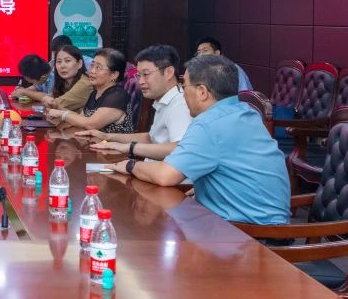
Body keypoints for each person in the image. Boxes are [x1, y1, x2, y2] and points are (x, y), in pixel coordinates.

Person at [112, 53, 289, 225]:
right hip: (272, 221)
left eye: (184, 87)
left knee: (155, 229)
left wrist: (130, 165)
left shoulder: (208, 124)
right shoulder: (246, 112)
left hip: (245, 230)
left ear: (202, 92)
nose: (183, 94)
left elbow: (165, 176)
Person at [82, 44, 192, 159]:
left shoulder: (179, 104)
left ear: (168, 72)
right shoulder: (165, 100)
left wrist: (130, 148)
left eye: (146, 74)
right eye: (139, 75)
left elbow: (180, 148)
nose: (140, 81)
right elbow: (150, 138)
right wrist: (107, 136)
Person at [48, 48, 135, 134]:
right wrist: (61, 134)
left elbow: (91, 124)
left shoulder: (117, 96)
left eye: (98, 67)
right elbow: (81, 118)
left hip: (114, 143)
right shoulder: (95, 93)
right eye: (92, 66)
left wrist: (62, 114)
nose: (92, 71)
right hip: (94, 142)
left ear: (114, 74)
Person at [40, 44, 93, 113]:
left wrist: (47, 100)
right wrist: (46, 98)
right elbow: (49, 99)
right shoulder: (63, 82)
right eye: (59, 61)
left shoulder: (85, 84)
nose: (62, 66)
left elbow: (54, 105)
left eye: (67, 61)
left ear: (79, 64)